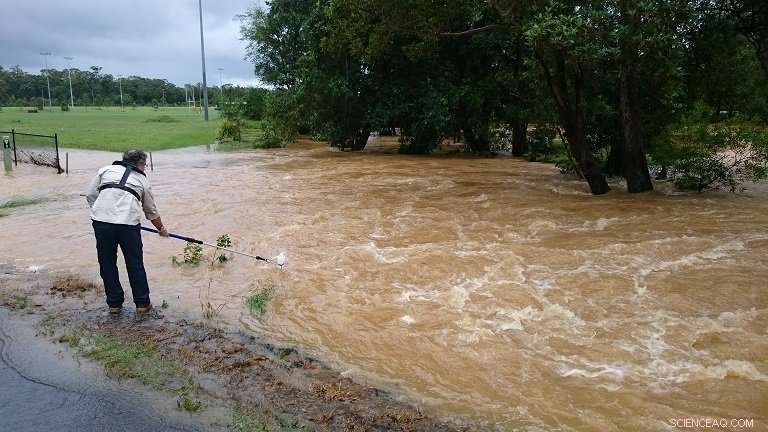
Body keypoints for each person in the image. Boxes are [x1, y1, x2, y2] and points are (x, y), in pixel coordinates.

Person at [85, 149, 168, 315]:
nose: (145, 168)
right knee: (135, 263)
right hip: (128, 226)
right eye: (144, 165)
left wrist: (102, 212)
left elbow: (90, 195)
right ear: (140, 164)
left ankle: (114, 305)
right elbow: (150, 210)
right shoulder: (142, 180)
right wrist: (161, 228)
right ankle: (142, 304)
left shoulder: (105, 170)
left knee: (107, 262)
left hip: (101, 223)